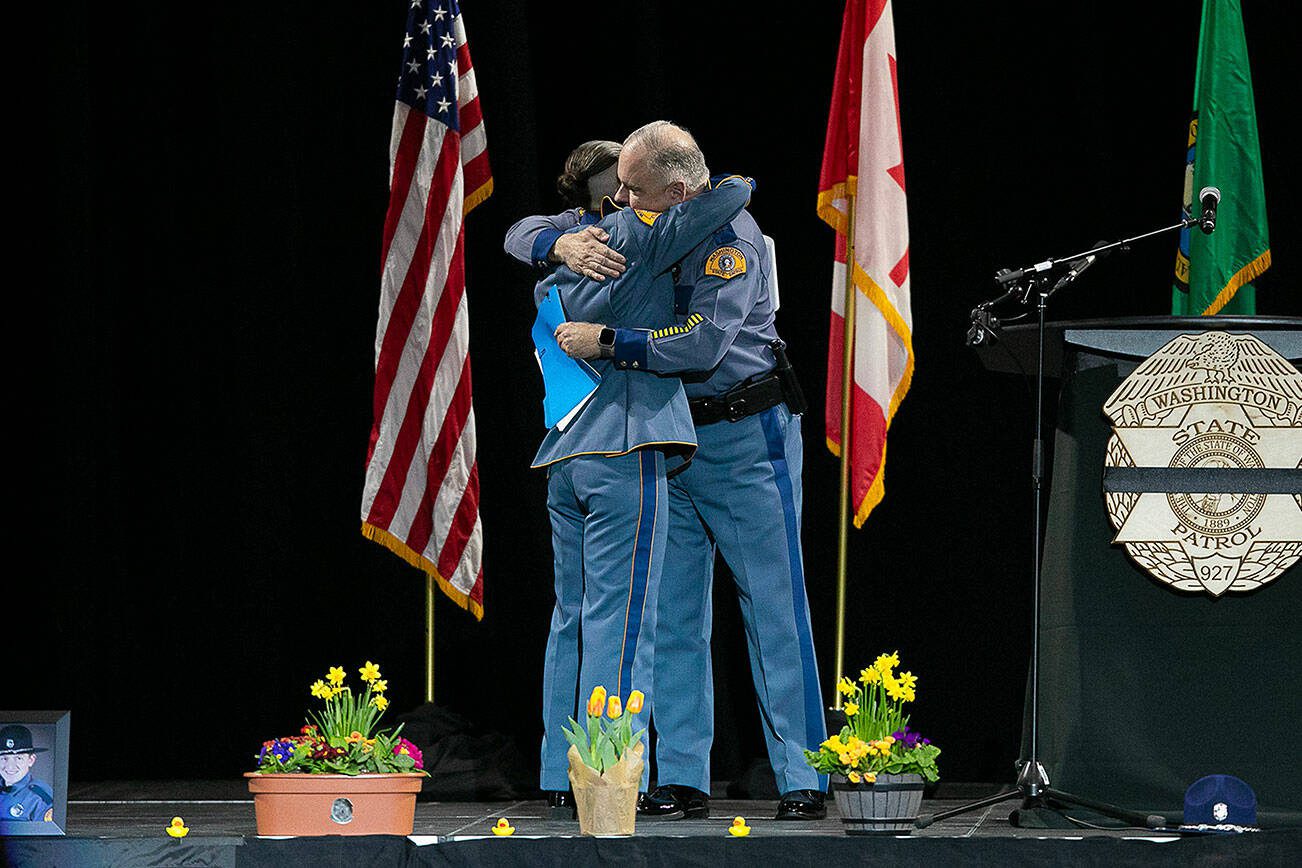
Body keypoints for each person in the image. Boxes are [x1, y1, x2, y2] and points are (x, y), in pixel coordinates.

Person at [554, 121, 828, 821]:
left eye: (631, 188)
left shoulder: (733, 241)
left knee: (772, 606)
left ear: (677, 192)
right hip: (671, 440)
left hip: (744, 438)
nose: (616, 198)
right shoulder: (648, 231)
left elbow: (703, 343)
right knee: (674, 615)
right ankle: (681, 773)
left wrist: (610, 341)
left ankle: (803, 773)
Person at [507, 130, 754, 818]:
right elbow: (728, 193)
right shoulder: (640, 239)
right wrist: (713, 180)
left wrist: (552, 241)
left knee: (572, 616)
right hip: (626, 448)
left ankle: (561, 773)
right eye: (619, 186)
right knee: (625, 620)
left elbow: (519, 232)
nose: (623, 198)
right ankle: (612, 780)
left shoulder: (561, 258)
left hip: (563, 458)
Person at [0, 725, 54, 822]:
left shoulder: (40, 798)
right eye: (4, 758)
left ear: (31, 760)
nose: (10, 766)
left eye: (19, 758)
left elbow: (46, 836)